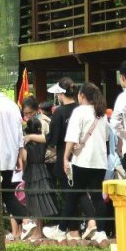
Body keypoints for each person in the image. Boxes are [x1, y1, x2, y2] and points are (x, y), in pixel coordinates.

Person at [63, 83, 110, 242]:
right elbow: (106, 137)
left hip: (82, 160)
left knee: (73, 194)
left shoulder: (79, 111)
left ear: (81, 96)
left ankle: (62, 229)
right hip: (100, 162)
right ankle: (101, 231)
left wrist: (65, 157)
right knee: (97, 196)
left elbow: (71, 137)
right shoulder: (101, 114)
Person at [43, 80, 78, 238]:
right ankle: (76, 228)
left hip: (65, 156)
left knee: (68, 194)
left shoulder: (59, 112)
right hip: (82, 155)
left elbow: (53, 139)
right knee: (79, 193)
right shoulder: (81, 109)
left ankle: (70, 229)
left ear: (60, 94)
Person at [20, 99, 57, 235]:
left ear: (37, 110)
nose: (28, 115)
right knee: (41, 197)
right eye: (25, 113)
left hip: (47, 162)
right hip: (42, 164)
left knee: (39, 198)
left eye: (30, 113)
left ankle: (40, 231)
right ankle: (41, 230)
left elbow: (47, 139)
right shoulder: (33, 122)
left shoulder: (43, 122)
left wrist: (30, 137)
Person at [0, 87, 26, 227]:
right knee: (6, 191)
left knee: (4, 193)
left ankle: (26, 220)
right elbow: (19, 132)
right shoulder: (12, 105)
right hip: (9, 156)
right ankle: (26, 220)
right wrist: (19, 153)